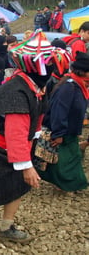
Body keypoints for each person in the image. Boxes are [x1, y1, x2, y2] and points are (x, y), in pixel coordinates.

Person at [0, 30, 70, 243]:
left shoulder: (34, 86)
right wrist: (26, 166)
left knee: (18, 188)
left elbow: (35, 119)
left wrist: (33, 147)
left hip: (21, 147)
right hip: (2, 149)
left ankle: (5, 227)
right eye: (51, 67)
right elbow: (15, 132)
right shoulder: (18, 91)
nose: (54, 71)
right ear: (40, 68)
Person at [39, 51, 89, 192]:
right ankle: (74, 184)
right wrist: (58, 133)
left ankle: (75, 184)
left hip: (70, 131)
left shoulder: (79, 85)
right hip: (63, 131)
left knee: (70, 158)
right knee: (66, 160)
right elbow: (59, 111)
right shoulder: (68, 87)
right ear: (84, 73)